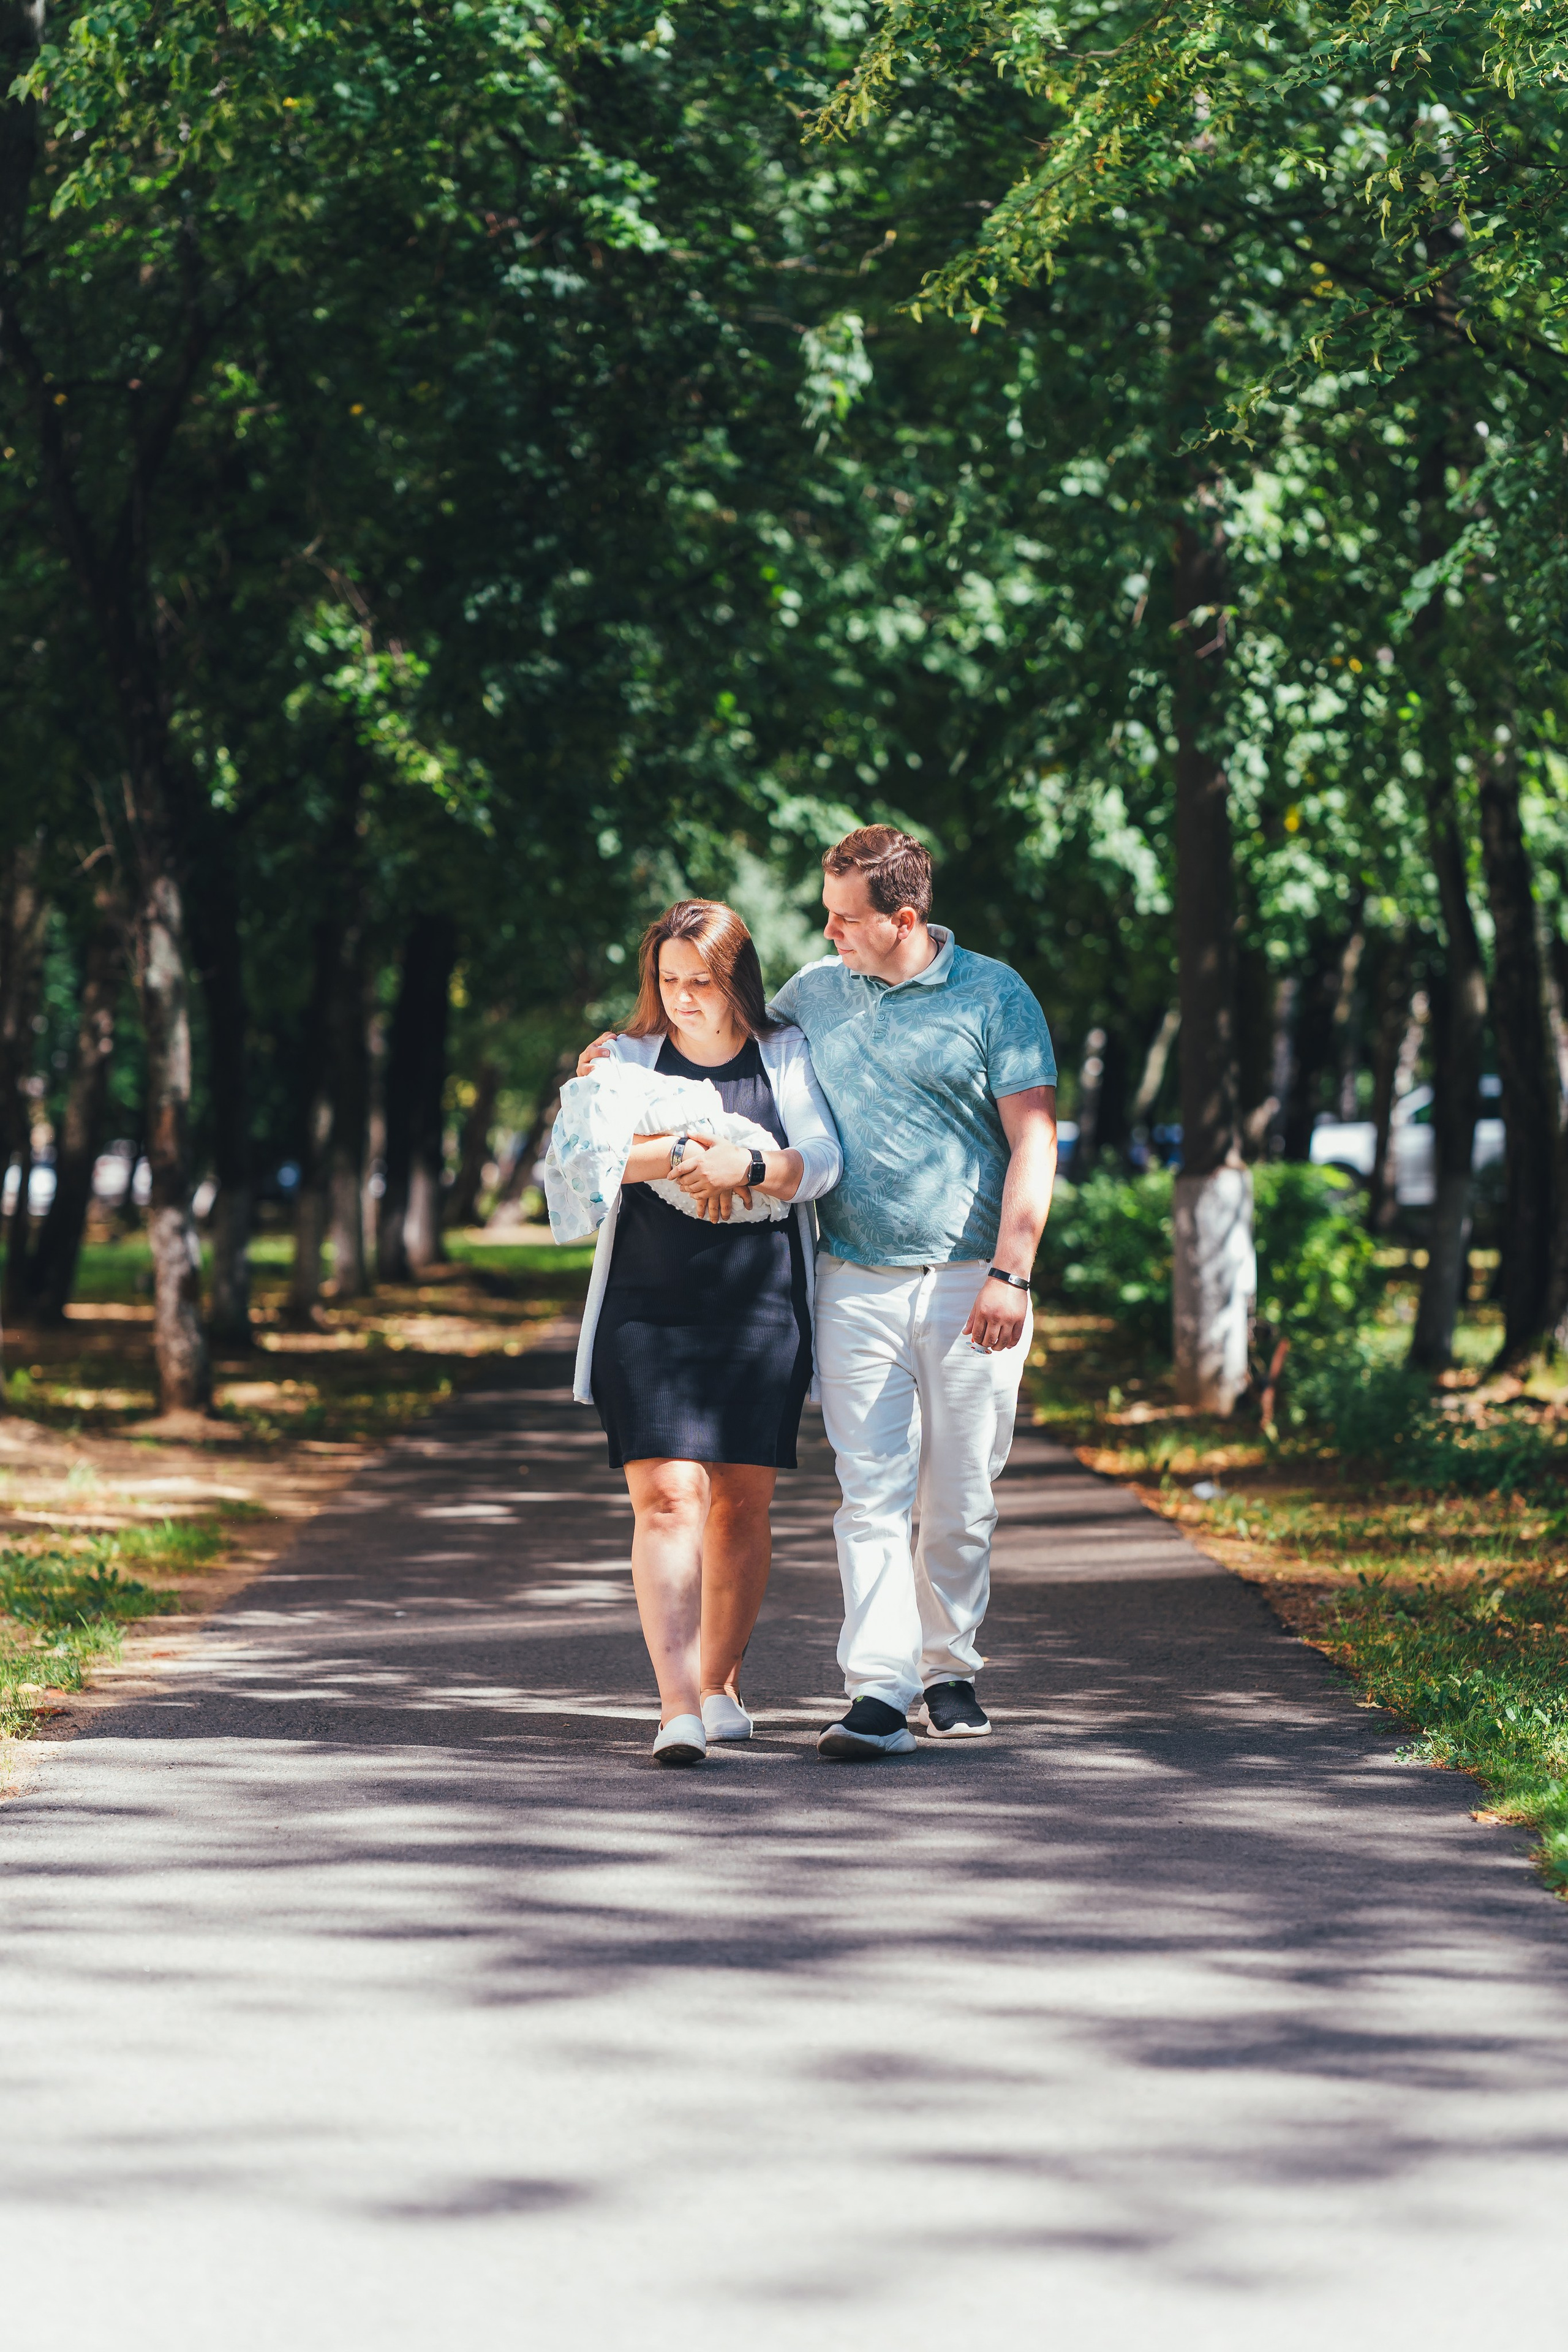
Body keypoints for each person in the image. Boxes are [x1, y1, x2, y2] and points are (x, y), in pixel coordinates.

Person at [767, 826, 1058, 1759]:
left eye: (846, 918)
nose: (828, 930)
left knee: (961, 1494)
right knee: (871, 1493)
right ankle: (881, 1692)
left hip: (973, 1280)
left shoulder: (993, 993)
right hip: (853, 1277)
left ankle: (951, 1670)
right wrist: (626, 1051)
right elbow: (723, 1049)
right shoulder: (814, 993)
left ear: (904, 917)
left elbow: (1035, 1142)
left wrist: (1013, 1272)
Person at [570, 900, 842, 1767]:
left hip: (759, 1303)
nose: (683, 1000)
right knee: (670, 1496)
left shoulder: (786, 1052)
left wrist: (752, 1164)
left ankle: (722, 1684)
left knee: (740, 1504)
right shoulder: (624, 1059)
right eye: (668, 982)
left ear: (736, 980)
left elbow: (825, 1163)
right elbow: (585, 1159)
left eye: (701, 982)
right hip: (647, 1308)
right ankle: (676, 1705)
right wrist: (693, 1149)